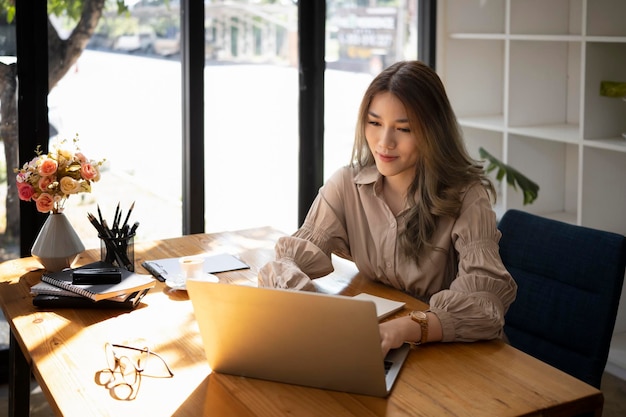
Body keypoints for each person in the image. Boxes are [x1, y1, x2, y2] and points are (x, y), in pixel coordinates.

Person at [258, 60, 517, 356]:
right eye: (375, 123)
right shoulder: (347, 184)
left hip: (454, 353)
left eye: (403, 129)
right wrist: (302, 305)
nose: (384, 142)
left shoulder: (468, 196)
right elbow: (293, 256)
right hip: (379, 339)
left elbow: (484, 305)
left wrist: (405, 328)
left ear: (432, 132)